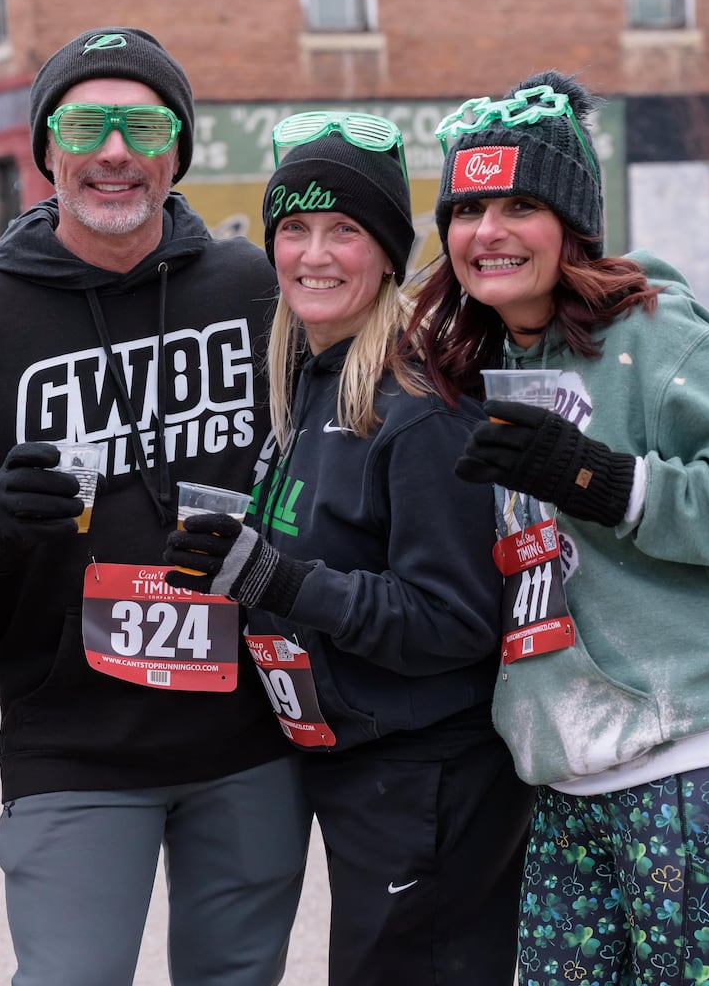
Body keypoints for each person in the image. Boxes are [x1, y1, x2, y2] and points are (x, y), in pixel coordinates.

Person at [0, 27, 309, 986]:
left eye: (142, 126)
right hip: (73, 744)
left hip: (250, 737)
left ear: (176, 152)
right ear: (49, 151)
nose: (115, 151)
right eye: (88, 124)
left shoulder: (256, 290)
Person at [407, 70, 709, 986]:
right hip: (568, 782)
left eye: (520, 204)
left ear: (571, 222)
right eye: (468, 208)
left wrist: (602, 481)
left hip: (699, 761)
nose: (489, 232)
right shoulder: (480, 360)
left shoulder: (655, 331)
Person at [162, 114, 534, 985]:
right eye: (293, 228)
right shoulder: (307, 378)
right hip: (349, 761)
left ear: (390, 253)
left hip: (430, 769)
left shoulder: (423, 406)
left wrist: (275, 578)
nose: (314, 254)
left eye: (345, 230)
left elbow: (455, 621)